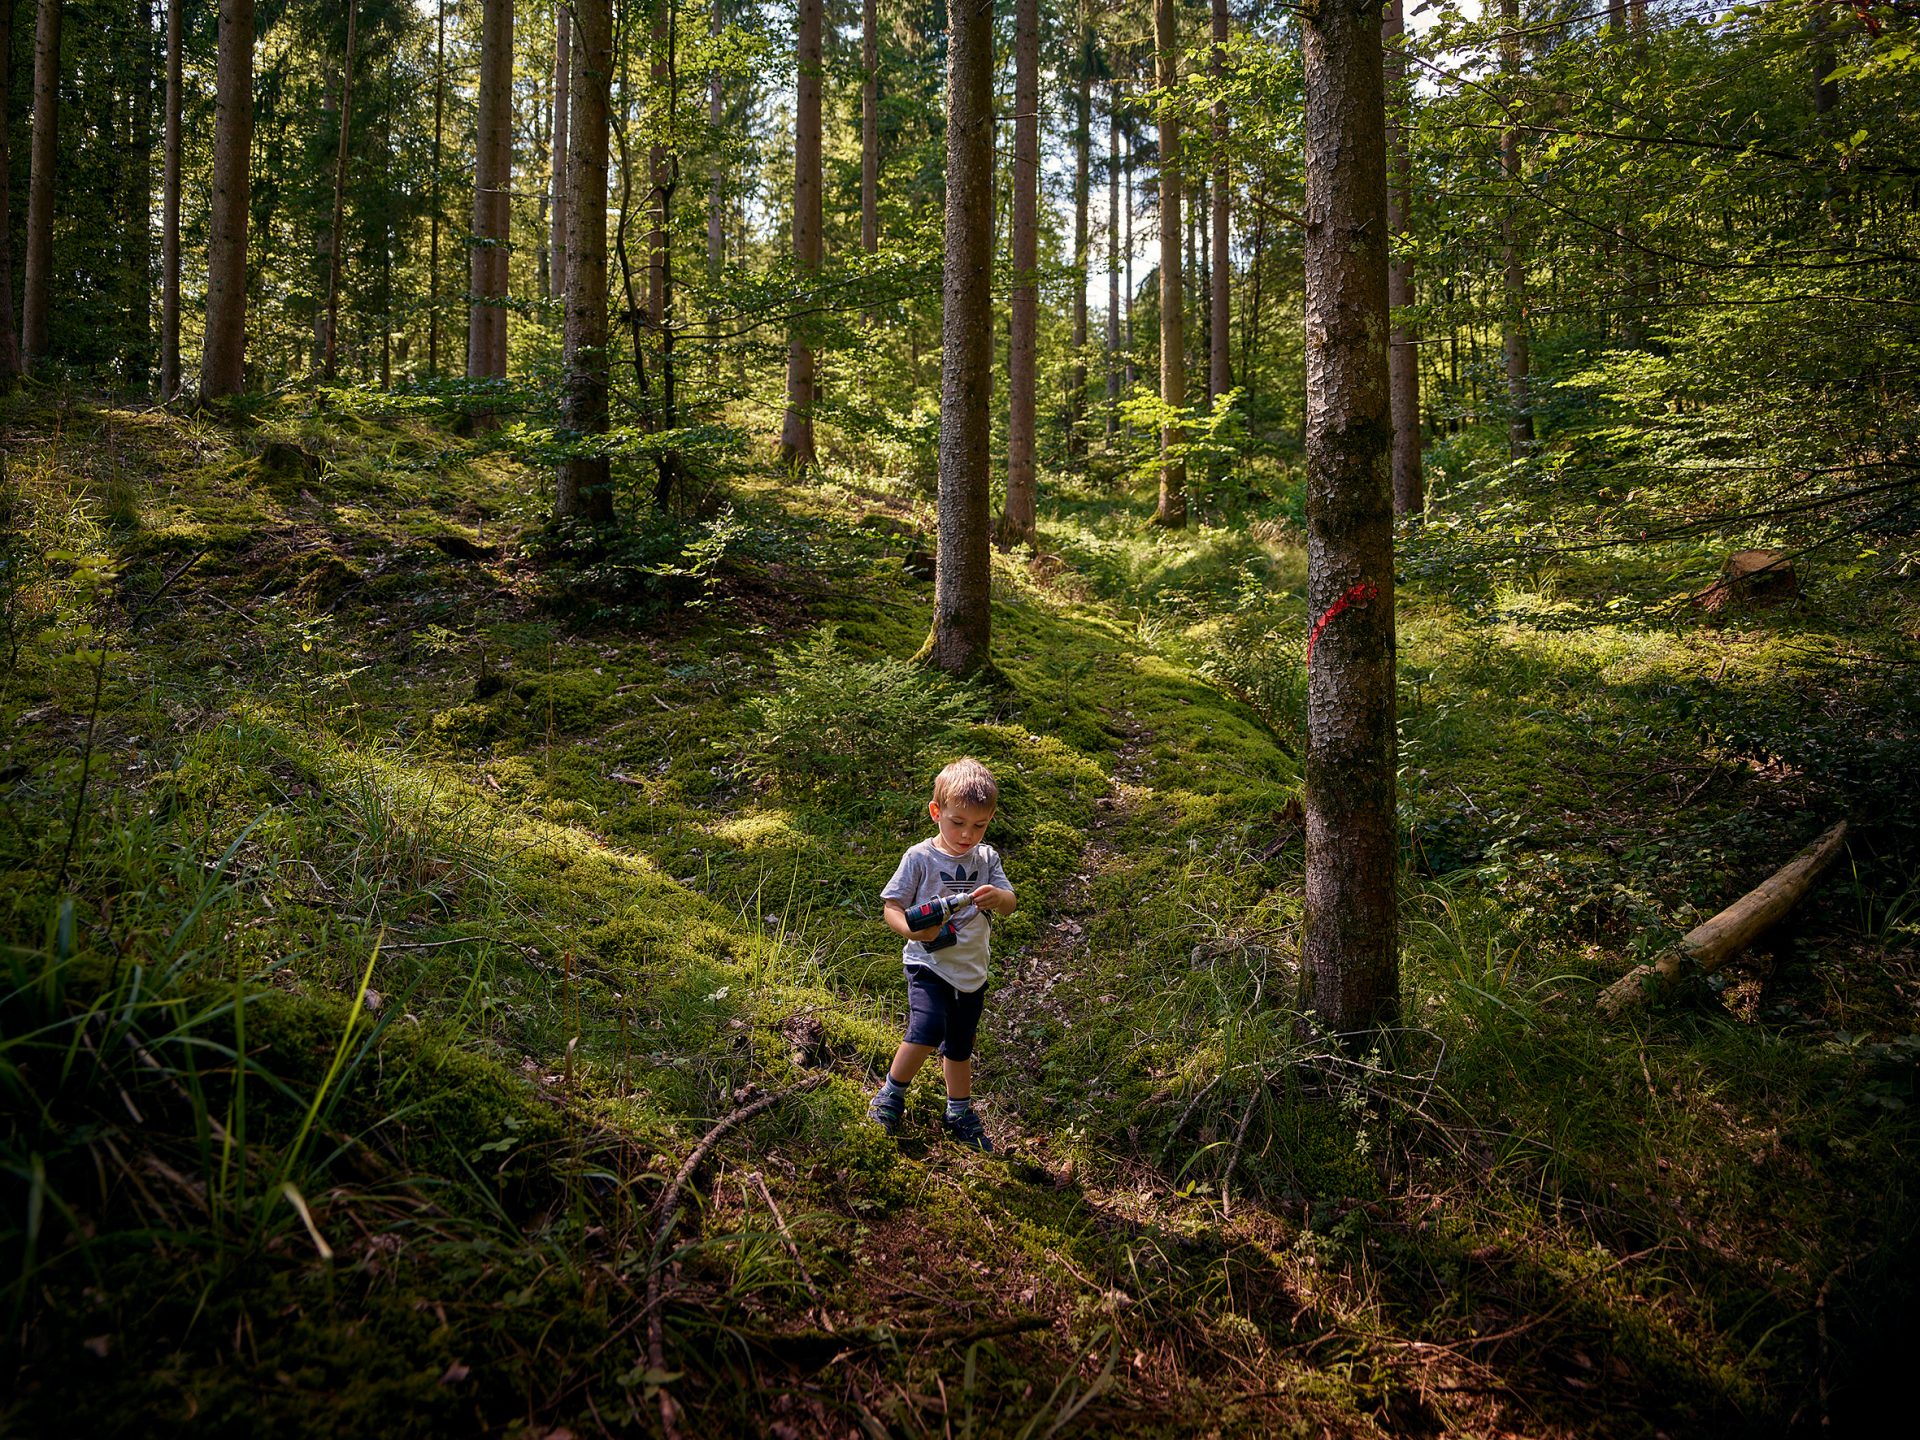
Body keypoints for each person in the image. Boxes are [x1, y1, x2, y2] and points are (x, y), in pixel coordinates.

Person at [869, 756, 1017, 1150]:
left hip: (972, 969)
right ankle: (891, 1094)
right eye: (958, 823)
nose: (968, 835)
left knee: (961, 1043)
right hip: (928, 962)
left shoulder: (987, 859)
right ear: (937, 812)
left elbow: (1010, 902)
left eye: (979, 826)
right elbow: (892, 906)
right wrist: (913, 931)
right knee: (928, 1028)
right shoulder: (919, 857)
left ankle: (958, 1110)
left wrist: (999, 897)